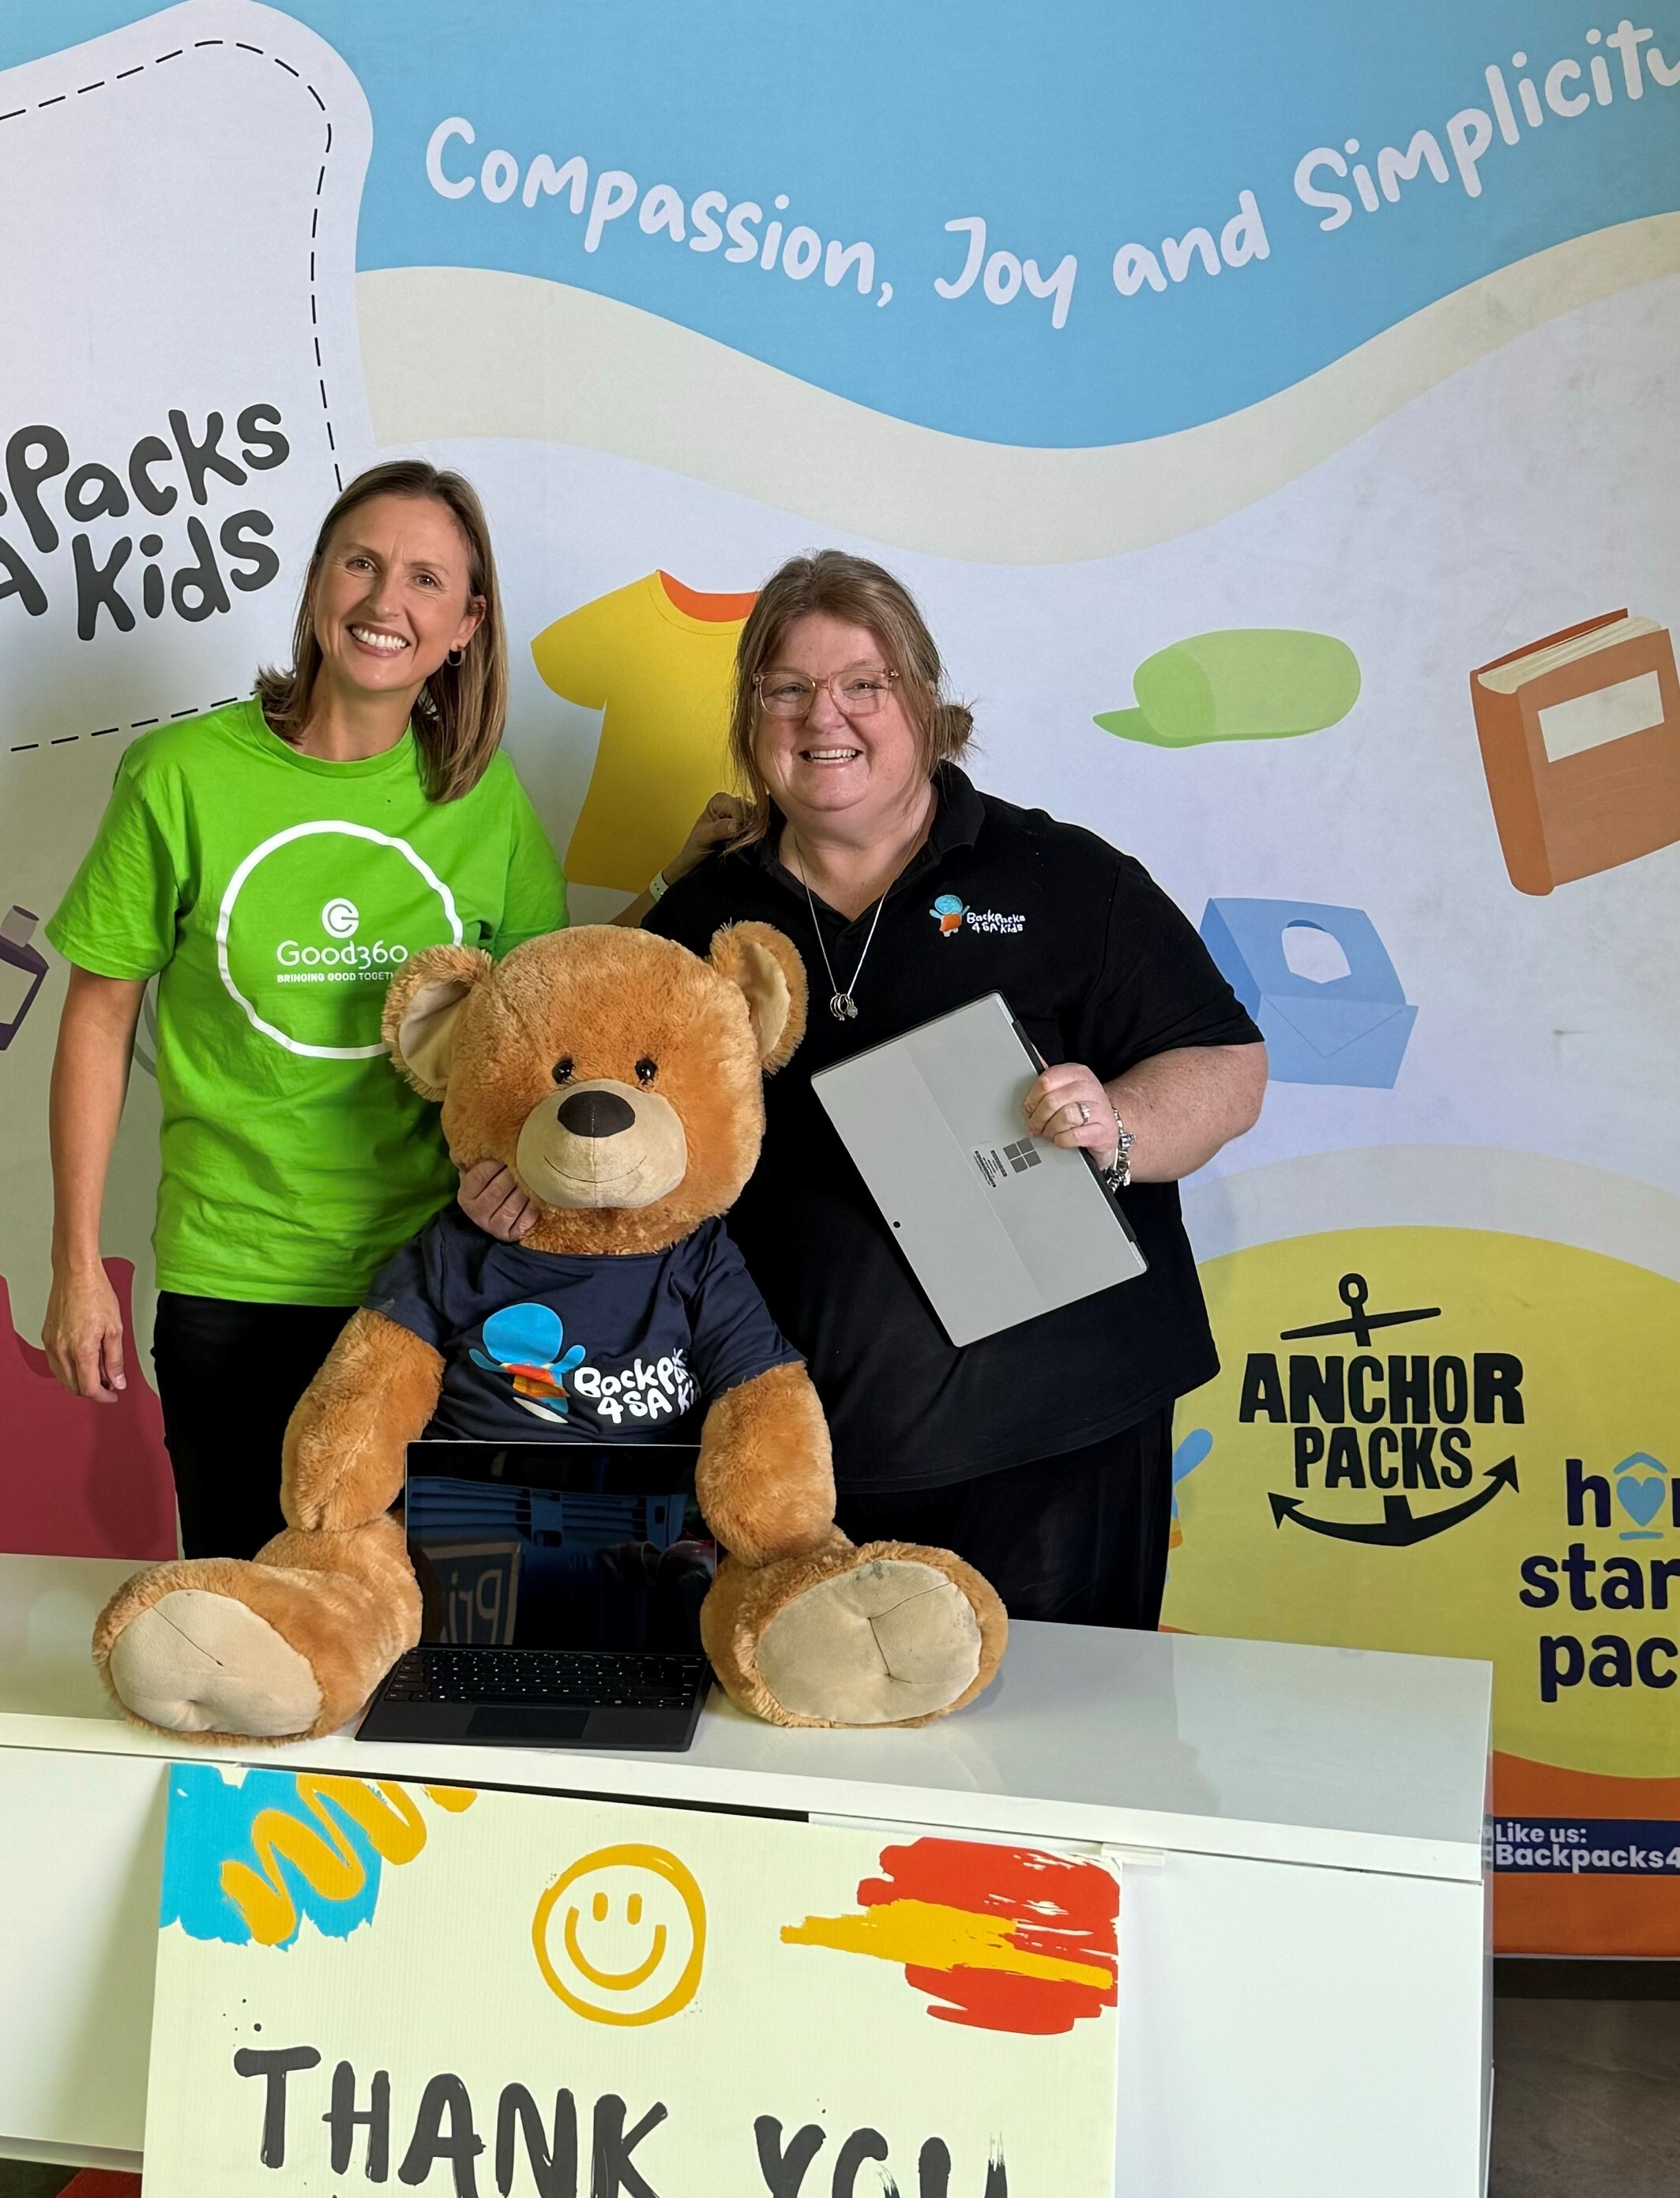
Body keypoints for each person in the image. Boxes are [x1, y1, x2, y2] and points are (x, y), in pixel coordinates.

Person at [464, 550, 1266, 1629]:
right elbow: (597, 1136)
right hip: (791, 1463)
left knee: (1048, 1767)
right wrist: (517, 1198)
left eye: (861, 684)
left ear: (926, 707)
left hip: (1058, 1450)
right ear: (754, 721)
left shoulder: (1062, 879)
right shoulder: (693, 922)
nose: (821, 714)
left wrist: (1120, 1126)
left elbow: (1222, 1063)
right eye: (785, 688)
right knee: (823, 1777)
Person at [41, 461, 568, 1560]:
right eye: (362, 564)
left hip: (431, 1283)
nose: (386, 603)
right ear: (319, 581)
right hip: (231, 1280)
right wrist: (76, 1262)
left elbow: (537, 1039)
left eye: (426, 579)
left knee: (420, 1627)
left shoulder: (487, 801)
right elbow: (96, 1020)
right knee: (247, 1637)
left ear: (466, 625)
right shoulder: (181, 775)